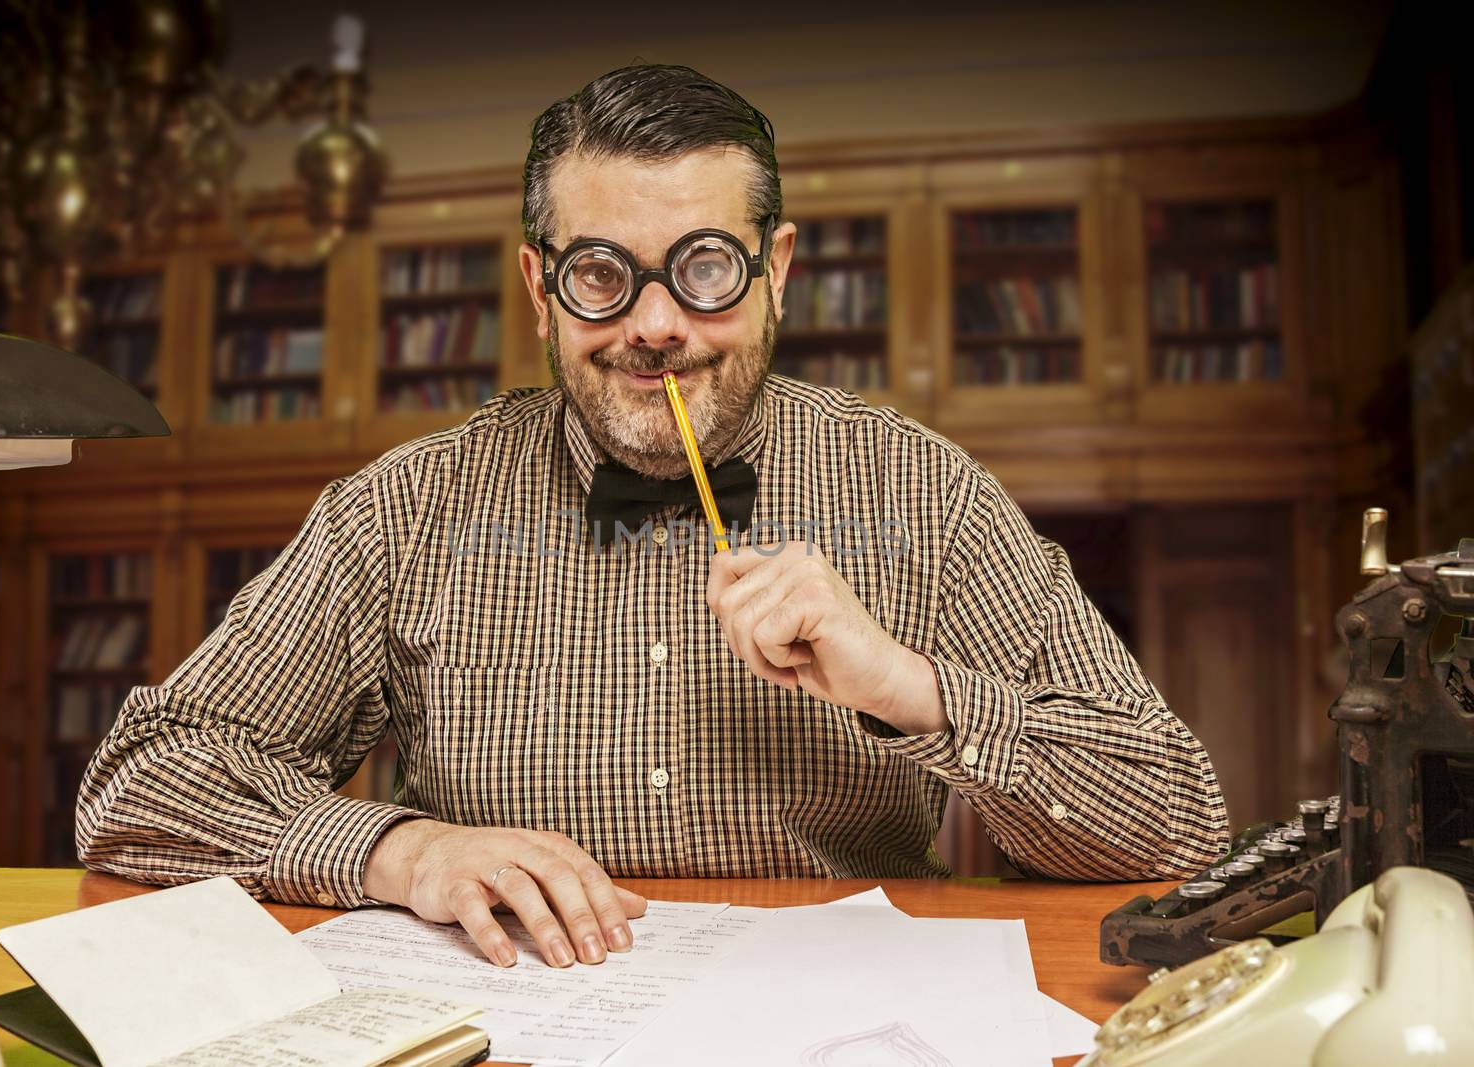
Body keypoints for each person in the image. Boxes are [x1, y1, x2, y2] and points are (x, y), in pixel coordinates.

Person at [77, 64, 1229, 971]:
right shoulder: (406, 507)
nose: (657, 323)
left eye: (706, 267)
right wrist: (401, 849)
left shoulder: (920, 492)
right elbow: (141, 783)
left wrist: (904, 686)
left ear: (775, 269)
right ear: (541, 286)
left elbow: (1177, 824)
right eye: (601, 275)